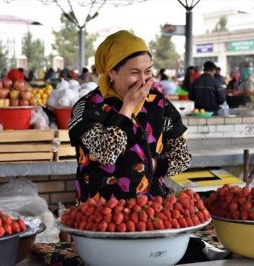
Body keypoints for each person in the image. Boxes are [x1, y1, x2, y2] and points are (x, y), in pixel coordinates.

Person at [68, 30, 191, 201]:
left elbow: (183, 156)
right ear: (112, 72)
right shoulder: (89, 107)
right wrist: (128, 107)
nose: (143, 81)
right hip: (102, 214)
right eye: (134, 72)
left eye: (148, 71)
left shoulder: (157, 103)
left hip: (150, 210)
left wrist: (153, 165)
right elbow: (107, 154)